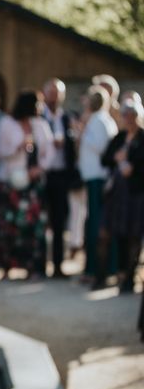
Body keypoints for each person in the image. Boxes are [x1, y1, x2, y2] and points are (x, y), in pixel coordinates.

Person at [0, 90, 54, 278]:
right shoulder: (7, 123)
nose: (40, 108)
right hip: (10, 180)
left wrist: (40, 168)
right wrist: (16, 148)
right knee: (9, 224)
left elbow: (49, 152)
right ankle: (7, 266)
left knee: (34, 225)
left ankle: (33, 266)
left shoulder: (41, 125)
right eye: (37, 104)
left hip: (33, 183)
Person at [95, 99, 144, 293]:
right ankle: (103, 276)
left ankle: (128, 279)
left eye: (132, 116)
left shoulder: (142, 138)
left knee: (133, 236)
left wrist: (133, 167)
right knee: (107, 233)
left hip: (135, 194)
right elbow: (105, 159)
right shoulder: (119, 137)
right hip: (116, 193)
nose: (129, 120)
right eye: (126, 116)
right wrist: (117, 158)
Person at [78, 85, 118, 283]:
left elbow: (103, 148)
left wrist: (83, 132)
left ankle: (98, 269)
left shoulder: (99, 121)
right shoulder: (98, 120)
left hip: (98, 178)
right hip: (92, 177)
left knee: (98, 224)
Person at [41, 78, 81, 278]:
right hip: (42, 175)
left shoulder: (67, 118)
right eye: (51, 93)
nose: (54, 97)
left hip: (61, 176)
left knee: (59, 222)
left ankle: (57, 265)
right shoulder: (38, 116)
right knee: (40, 220)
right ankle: (39, 265)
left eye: (58, 94)